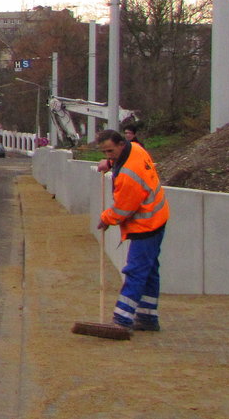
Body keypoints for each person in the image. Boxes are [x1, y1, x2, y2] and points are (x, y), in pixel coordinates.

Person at [95, 128, 170, 331]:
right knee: (150, 270)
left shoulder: (129, 174)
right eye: (104, 153)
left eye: (110, 152)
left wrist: (105, 218)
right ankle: (147, 317)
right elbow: (120, 160)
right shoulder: (136, 148)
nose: (108, 156)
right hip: (157, 217)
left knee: (136, 271)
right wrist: (110, 163)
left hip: (146, 225)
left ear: (121, 144)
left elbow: (122, 210)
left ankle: (122, 319)